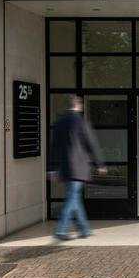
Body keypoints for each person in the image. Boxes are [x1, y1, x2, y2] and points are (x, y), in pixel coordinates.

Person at [48, 93, 106, 240]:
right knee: (72, 197)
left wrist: (52, 168)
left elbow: (53, 146)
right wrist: (100, 164)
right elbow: (91, 144)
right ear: (78, 105)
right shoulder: (81, 121)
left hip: (65, 167)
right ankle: (61, 229)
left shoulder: (59, 122)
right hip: (79, 167)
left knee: (74, 197)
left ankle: (83, 229)